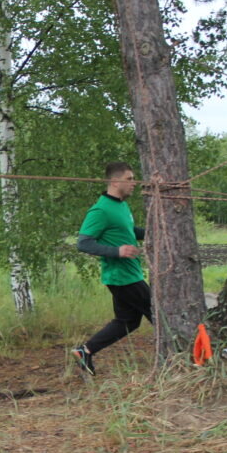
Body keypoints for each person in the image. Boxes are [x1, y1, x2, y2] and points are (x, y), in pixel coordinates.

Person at [71, 161, 152, 376]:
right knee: (159, 313)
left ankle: (85, 351)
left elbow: (127, 229)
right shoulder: (100, 210)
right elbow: (83, 243)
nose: (134, 183)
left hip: (128, 274)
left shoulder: (121, 205)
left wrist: (152, 232)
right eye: (129, 179)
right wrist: (118, 251)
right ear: (115, 182)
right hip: (122, 276)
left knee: (128, 322)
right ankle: (182, 356)